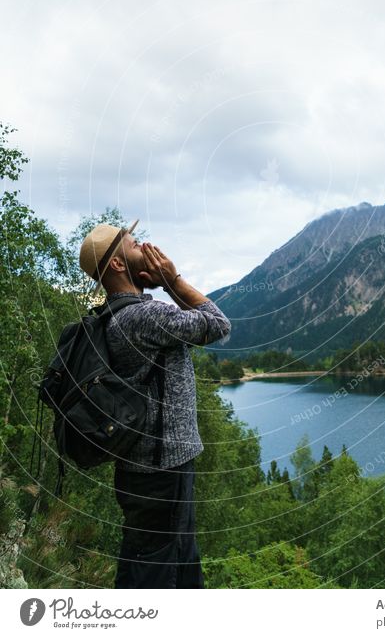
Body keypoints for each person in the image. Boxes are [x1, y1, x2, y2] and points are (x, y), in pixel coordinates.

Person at [78, 219, 231, 589]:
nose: (146, 247)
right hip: (165, 468)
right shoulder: (144, 316)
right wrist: (172, 279)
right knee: (170, 567)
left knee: (144, 558)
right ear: (117, 264)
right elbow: (218, 324)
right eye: (134, 244)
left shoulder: (114, 316)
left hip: (138, 466)